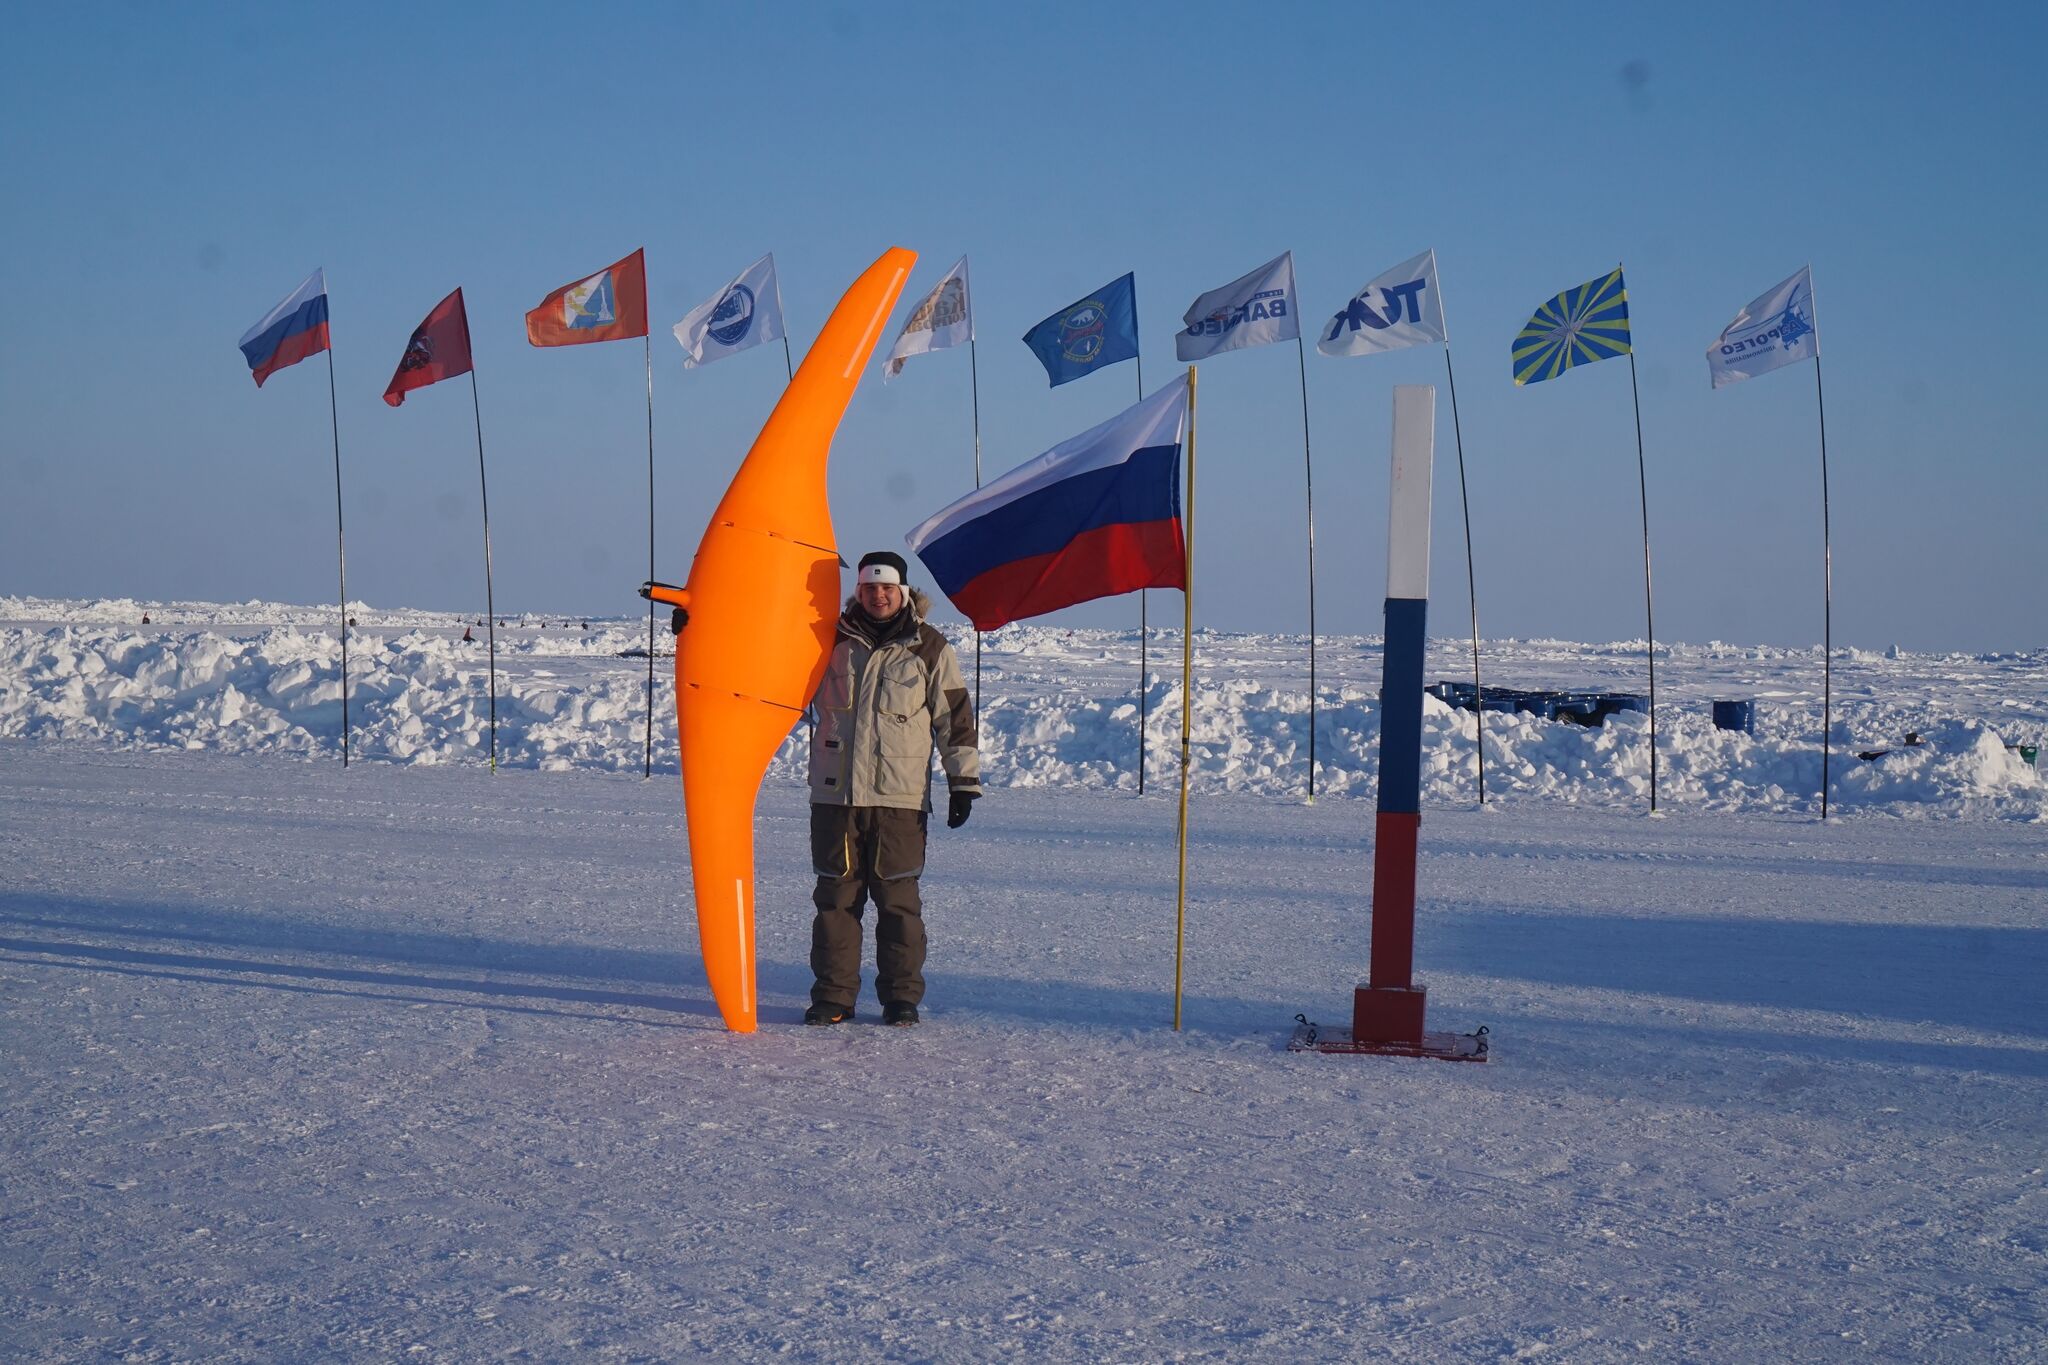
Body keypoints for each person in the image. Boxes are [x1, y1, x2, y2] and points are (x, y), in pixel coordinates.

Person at [803, 550, 981, 1026]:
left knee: (898, 903)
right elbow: (763, 666)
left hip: (899, 800)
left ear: (903, 592)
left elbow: (954, 717)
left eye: (886, 588)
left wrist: (962, 782)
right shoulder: (829, 640)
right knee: (835, 901)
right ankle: (833, 997)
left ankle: (901, 998)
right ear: (857, 591)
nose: (877, 596)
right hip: (836, 797)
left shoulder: (930, 647)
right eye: (868, 588)